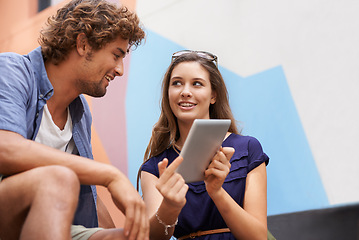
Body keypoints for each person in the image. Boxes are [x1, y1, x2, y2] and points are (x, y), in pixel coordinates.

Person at [0, 0, 148, 239]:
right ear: (83, 44)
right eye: (116, 55)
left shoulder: (80, 113)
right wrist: (110, 175)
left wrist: (119, 233)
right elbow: (4, 148)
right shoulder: (12, 70)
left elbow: (89, 195)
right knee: (58, 178)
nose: (120, 69)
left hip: (49, 223)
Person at [138, 50, 269, 240]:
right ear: (168, 94)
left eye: (197, 84)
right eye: (177, 83)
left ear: (213, 95)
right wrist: (169, 206)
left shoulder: (248, 149)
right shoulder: (154, 168)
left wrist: (216, 192)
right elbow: (154, 238)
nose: (185, 92)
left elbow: (258, 237)